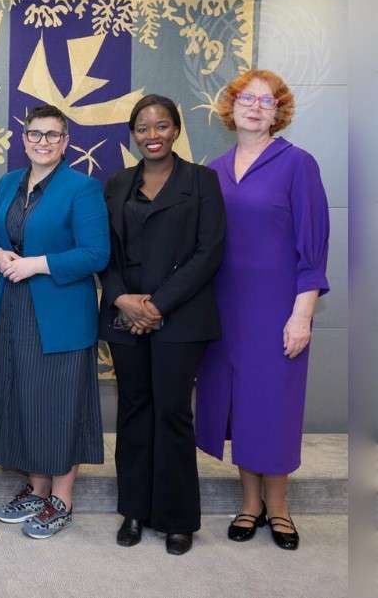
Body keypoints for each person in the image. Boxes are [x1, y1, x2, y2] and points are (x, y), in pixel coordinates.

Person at [195, 69, 329, 551]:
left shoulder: (298, 164)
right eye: (247, 99)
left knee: (274, 408)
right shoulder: (212, 169)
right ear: (230, 108)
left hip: (277, 309)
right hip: (224, 310)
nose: (255, 107)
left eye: (267, 101)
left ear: (280, 112)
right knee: (239, 409)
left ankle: (279, 508)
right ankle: (248, 504)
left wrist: (302, 314)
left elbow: (313, 249)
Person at [99, 94, 226, 555]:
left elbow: (208, 252)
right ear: (132, 134)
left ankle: (176, 517)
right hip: (124, 317)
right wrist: (123, 300)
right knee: (133, 411)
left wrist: (156, 307)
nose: (152, 135)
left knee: (172, 413)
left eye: (161, 126)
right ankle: (133, 509)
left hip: (181, 319)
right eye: (143, 128)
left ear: (176, 130)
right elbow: (103, 253)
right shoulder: (115, 184)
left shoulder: (202, 181)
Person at [0, 104, 109, 539]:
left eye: (53, 135)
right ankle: (36, 490)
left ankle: (62, 499)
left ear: (66, 141)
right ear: (23, 138)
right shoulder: (7, 184)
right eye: (35, 134)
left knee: (59, 406)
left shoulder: (83, 188)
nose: (43, 142)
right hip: (14, 309)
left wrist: (38, 263)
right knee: (24, 402)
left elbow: (97, 254)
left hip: (60, 316)